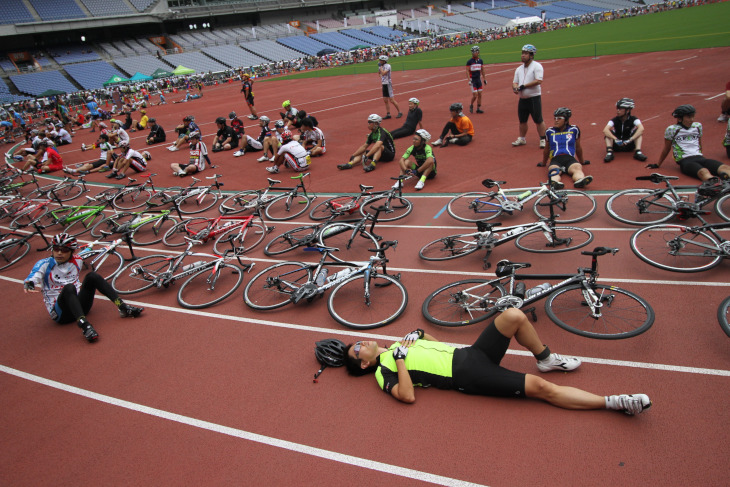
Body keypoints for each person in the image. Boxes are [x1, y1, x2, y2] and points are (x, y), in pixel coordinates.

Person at [344, 308, 652, 415]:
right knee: (542, 388)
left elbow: (442, 347)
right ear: (363, 364)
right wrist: (398, 360)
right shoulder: (383, 373)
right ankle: (614, 402)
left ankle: (544, 358)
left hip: (468, 354)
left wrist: (420, 333)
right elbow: (408, 397)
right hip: (466, 376)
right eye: (357, 349)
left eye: (358, 341)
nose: (362, 343)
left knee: (513, 316)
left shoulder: (398, 344)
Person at [23, 233, 143, 342]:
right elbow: (34, 275)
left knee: (92, 276)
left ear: (71, 252)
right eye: (56, 249)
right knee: (69, 288)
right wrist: (29, 283)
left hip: (80, 307)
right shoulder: (44, 264)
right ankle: (85, 327)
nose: (59, 253)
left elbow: (95, 252)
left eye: (64, 250)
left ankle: (123, 307)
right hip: (61, 314)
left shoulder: (78, 261)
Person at [647, 104, 730, 181]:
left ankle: (726, 180)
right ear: (679, 118)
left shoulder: (697, 126)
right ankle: (714, 184)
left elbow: (699, 143)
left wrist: (700, 154)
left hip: (700, 157)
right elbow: (666, 148)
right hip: (686, 161)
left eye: (693, 117)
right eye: (689, 117)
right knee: (704, 172)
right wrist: (658, 164)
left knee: (725, 168)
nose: (692, 119)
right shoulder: (672, 129)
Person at [542, 107, 592, 189]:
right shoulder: (549, 131)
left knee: (577, 168)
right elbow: (546, 149)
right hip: (556, 159)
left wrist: (582, 161)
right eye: (555, 118)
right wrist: (544, 163)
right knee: (554, 170)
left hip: (569, 158)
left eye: (559, 118)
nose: (556, 120)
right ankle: (555, 183)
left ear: (566, 120)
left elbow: (578, 147)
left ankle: (580, 180)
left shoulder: (574, 129)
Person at [511, 44, 546, 149]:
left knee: (538, 119)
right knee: (522, 120)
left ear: (531, 55)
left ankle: (543, 139)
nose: (523, 55)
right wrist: (515, 88)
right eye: (522, 53)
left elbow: (538, 80)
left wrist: (524, 86)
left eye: (526, 54)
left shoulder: (537, 66)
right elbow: (514, 82)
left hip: (534, 98)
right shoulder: (519, 69)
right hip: (522, 99)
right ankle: (522, 138)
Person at [603, 98, 648, 163]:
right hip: (617, 145)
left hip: (629, 144)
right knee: (608, 133)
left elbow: (641, 128)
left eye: (620, 109)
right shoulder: (615, 119)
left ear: (627, 111)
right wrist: (615, 139)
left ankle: (638, 152)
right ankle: (609, 153)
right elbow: (605, 130)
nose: (618, 111)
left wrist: (630, 139)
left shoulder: (633, 119)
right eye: (617, 109)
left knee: (639, 132)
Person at [377, 55, 402, 120]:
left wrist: (380, 68)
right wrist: (381, 77)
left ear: (384, 61)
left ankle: (399, 112)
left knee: (392, 100)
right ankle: (388, 114)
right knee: (385, 100)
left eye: (381, 60)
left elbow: (383, 73)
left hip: (388, 83)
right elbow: (379, 73)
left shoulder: (388, 66)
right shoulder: (381, 67)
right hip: (384, 84)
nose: (379, 61)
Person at [466, 45, 486, 114]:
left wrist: (484, 79)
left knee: (480, 94)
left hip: (478, 79)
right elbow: (467, 71)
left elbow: (482, 70)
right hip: (473, 80)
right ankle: (471, 105)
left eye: (475, 52)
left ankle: (478, 108)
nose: (474, 53)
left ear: (478, 52)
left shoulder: (480, 61)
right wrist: (469, 80)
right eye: (473, 52)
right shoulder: (470, 61)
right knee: (475, 95)